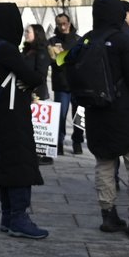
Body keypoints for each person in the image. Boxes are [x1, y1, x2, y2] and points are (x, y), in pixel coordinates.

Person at [77, 0, 129, 238]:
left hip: (96, 113)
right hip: (124, 113)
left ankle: (109, 215)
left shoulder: (87, 40)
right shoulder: (123, 40)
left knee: (104, 163)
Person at [0, 3, 48, 238]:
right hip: (14, 115)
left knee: (6, 163)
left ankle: (8, 215)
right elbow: (34, 77)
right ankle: (19, 217)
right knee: (20, 163)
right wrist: (30, 80)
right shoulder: (8, 50)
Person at [48, 12, 82, 155]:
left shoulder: (78, 40)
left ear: (69, 23)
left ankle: (78, 142)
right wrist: (68, 57)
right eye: (59, 24)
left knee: (79, 116)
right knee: (60, 116)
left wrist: (62, 56)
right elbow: (53, 62)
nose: (62, 26)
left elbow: (82, 61)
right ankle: (60, 142)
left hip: (78, 84)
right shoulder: (52, 41)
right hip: (61, 84)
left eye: (64, 23)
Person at [21, 23, 53, 164]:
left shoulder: (41, 52)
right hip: (26, 92)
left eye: (28, 32)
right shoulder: (27, 50)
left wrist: (35, 94)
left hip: (36, 93)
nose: (25, 34)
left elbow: (41, 74)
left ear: (37, 34)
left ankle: (41, 154)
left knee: (38, 126)